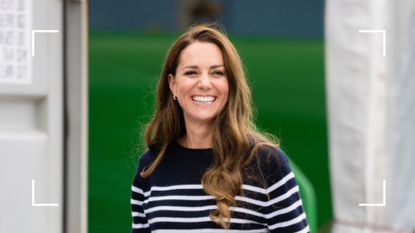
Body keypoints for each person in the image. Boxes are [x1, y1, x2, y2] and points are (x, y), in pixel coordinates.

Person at [131, 24, 310, 233]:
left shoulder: (267, 163)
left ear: (231, 84)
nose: (204, 83)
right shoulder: (151, 166)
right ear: (173, 85)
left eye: (217, 73)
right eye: (191, 72)